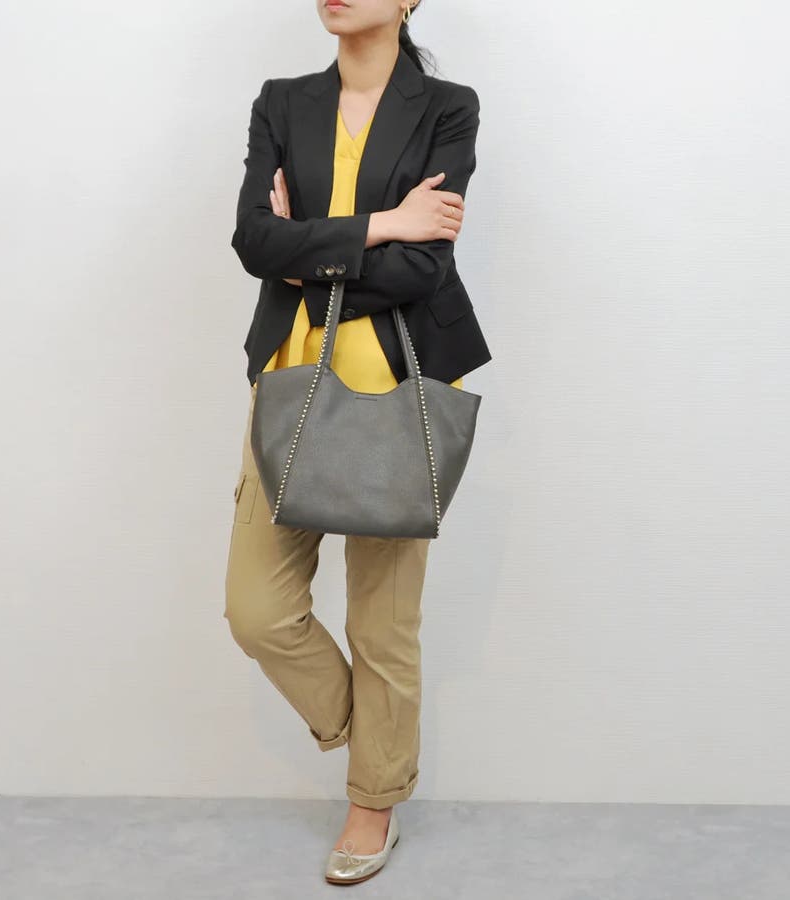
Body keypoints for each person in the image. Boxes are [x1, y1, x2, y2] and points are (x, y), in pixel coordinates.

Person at [224, 0, 492, 885]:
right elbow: (253, 240)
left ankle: (373, 803)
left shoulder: (447, 106)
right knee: (257, 611)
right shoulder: (281, 100)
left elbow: (425, 265)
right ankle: (377, 740)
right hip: (288, 381)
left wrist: (305, 250)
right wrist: (381, 224)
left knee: (383, 623)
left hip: (400, 386)